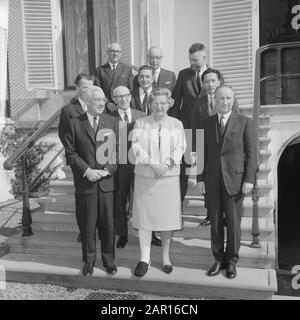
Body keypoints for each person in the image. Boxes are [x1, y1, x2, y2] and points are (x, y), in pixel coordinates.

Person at [197, 85, 257, 279]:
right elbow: (200, 154)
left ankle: (231, 261)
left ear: (233, 99)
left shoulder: (245, 122)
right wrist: (199, 178)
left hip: (236, 181)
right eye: (221, 98)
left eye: (228, 98)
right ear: (215, 100)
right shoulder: (206, 123)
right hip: (213, 181)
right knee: (215, 224)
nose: (225, 102)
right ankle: (217, 259)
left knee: (233, 224)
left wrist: (249, 179)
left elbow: (252, 155)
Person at [130, 87, 186, 277]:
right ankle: (144, 258)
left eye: (163, 102)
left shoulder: (177, 124)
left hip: (168, 177)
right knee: (145, 218)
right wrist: (153, 163)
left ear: (169, 104)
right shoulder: (140, 123)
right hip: (146, 176)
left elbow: (181, 146)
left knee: (167, 219)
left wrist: (168, 162)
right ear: (150, 104)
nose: (159, 106)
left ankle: (165, 258)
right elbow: (136, 147)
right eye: (155, 103)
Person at [64, 86, 119, 276]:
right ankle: (88, 261)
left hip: (106, 184)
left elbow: (116, 153)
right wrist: (87, 170)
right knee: (87, 226)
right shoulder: (74, 123)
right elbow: (70, 154)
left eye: (104, 100)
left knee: (108, 225)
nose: (102, 103)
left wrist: (106, 171)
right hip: (86, 182)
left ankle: (109, 260)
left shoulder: (112, 122)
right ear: (86, 101)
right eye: (98, 100)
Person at [58, 73, 112, 244]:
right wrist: (83, 166)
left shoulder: (102, 106)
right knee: (84, 205)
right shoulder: (68, 111)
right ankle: (86, 232)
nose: (88, 89)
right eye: (84, 86)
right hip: (82, 164)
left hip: (102, 165)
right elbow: (65, 138)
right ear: (78, 88)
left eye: (91, 85)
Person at [191, 68, 240, 226]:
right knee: (208, 181)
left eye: (213, 81)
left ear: (219, 81)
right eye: (206, 81)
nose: (210, 84)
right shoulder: (198, 103)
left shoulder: (228, 98)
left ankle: (226, 214)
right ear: (203, 84)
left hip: (227, 148)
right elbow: (195, 126)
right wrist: (195, 148)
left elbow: (237, 122)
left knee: (225, 183)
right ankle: (211, 214)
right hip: (207, 147)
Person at [131, 65, 164, 246]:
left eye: (147, 76)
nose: (144, 79)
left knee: (157, 199)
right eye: (141, 76)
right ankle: (142, 228)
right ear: (138, 79)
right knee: (142, 198)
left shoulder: (160, 96)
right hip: (139, 153)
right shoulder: (130, 96)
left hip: (160, 156)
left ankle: (155, 232)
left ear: (153, 78)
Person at [110, 86, 145, 249]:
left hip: (140, 163)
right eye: (118, 96)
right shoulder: (108, 118)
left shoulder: (142, 116)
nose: (123, 99)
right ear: (114, 100)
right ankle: (122, 234)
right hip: (120, 164)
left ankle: (149, 234)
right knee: (120, 199)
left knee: (143, 199)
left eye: (125, 95)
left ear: (130, 97)